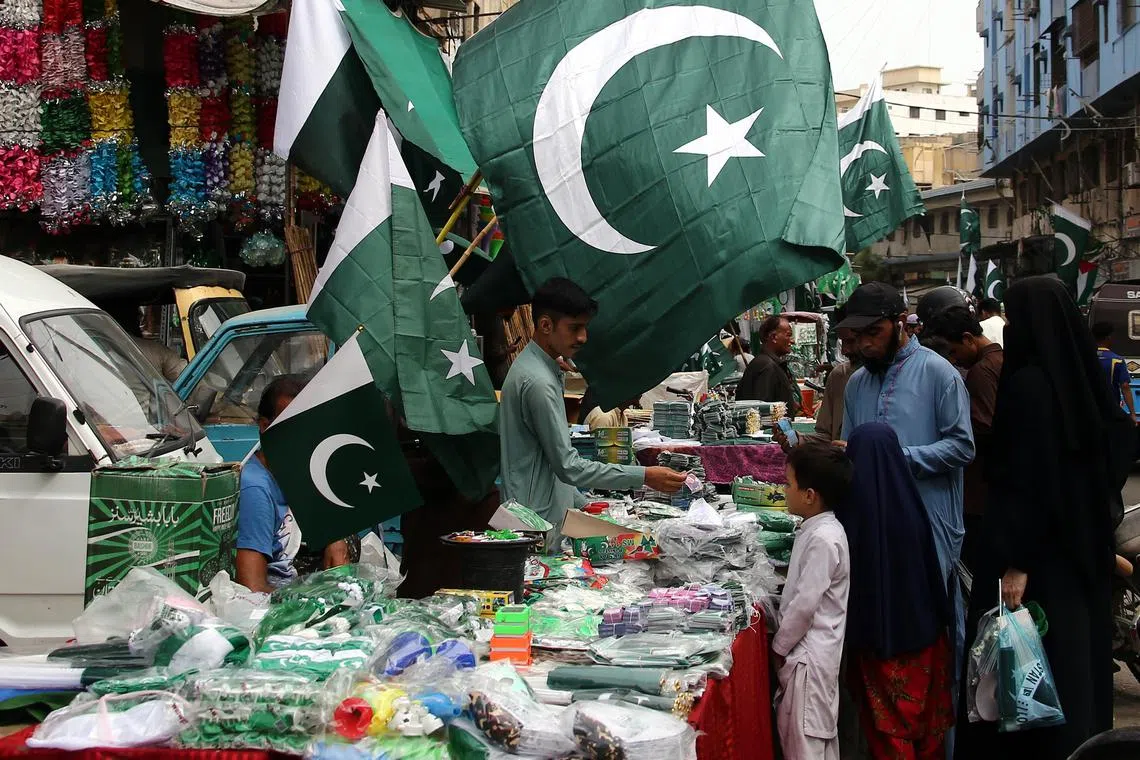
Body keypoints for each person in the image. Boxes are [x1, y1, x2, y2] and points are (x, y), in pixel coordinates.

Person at [957, 277, 1133, 759]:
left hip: (1034, 563)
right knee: (1077, 674)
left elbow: (1029, 481)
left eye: (1014, 318)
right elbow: (1107, 453)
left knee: (1030, 674)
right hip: (1078, 555)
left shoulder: (1029, 386)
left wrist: (1017, 562)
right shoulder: (1080, 383)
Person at [837, 281, 973, 723]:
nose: (865, 343)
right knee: (878, 635)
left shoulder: (939, 373)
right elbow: (853, 448)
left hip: (929, 524)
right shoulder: (857, 383)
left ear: (900, 324)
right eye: (858, 336)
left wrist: (900, 460)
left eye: (873, 332)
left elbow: (962, 446)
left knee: (934, 637)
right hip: (874, 529)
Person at [499, 278, 685, 532]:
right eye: (574, 328)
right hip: (534, 524)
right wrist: (645, 476)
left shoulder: (543, 369)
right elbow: (567, 466)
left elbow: (550, 462)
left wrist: (585, 504)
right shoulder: (537, 381)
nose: (583, 337)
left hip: (541, 515)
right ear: (545, 325)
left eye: (585, 327)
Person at [841, 423, 954, 759]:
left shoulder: (851, 515)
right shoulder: (911, 506)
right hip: (924, 642)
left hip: (877, 648)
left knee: (889, 733)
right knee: (923, 731)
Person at [772, 443, 853, 760]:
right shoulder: (820, 530)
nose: (784, 489)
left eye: (788, 483)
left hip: (808, 658)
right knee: (816, 739)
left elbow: (805, 605)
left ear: (809, 495)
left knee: (805, 742)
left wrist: (779, 646)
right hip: (814, 655)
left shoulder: (823, 538)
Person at [237, 377, 350, 592]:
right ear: (264, 426)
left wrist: (336, 539)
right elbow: (252, 588)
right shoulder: (256, 489)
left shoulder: (293, 469)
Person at [920, 306, 1004, 574]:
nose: (954, 362)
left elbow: (981, 427)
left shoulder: (982, 371)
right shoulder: (1001, 360)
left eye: (954, 352)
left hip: (982, 486)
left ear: (968, 338)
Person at [737, 315, 801, 415]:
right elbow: (763, 411)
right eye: (788, 335)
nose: (792, 340)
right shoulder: (766, 366)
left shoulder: (769, 363)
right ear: (774, 337)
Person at [1093, 321, 1138, 422]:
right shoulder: (1117, 360)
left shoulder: (1084, 358)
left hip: (1090, 408)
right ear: (1108, 337)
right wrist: (1132, 414)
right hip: (1111, 409)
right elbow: (1125, 387)